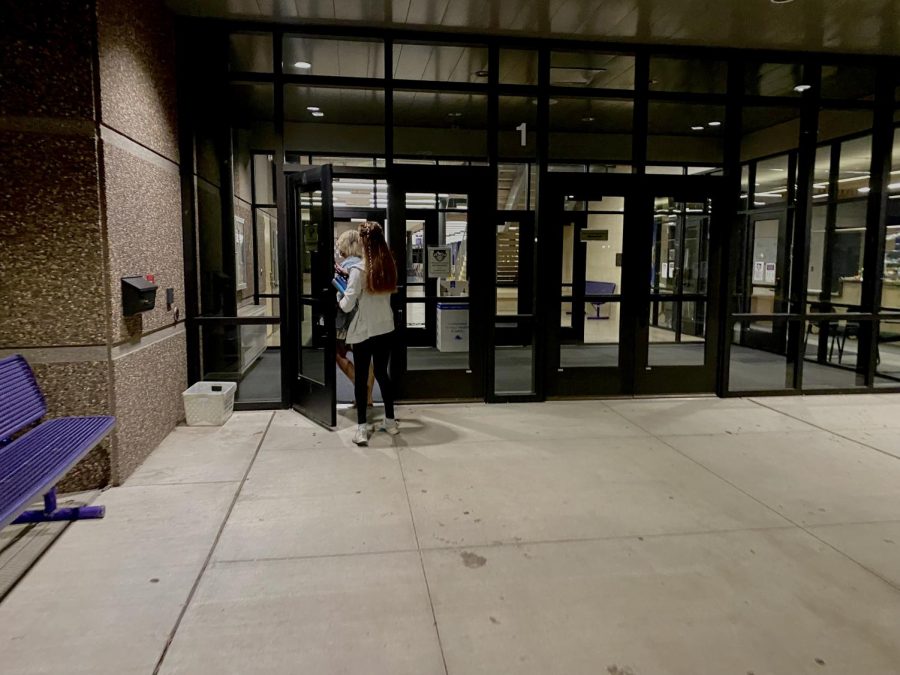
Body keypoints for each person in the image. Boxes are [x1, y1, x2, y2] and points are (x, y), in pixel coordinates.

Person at [338, 221, 399, 446]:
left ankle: (362, 429)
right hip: (386, 328)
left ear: (363, 242)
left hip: (364, 331)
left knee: (361, 379)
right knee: (383, 374)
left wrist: (339, 293)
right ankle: (391, 422)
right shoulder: (389, 267)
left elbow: (346, 305)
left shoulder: (359, 270)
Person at [334, 231, 375, 407]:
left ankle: (362, 391)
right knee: (365, 359)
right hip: (366, 320)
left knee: (338, 354)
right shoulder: (366, 265)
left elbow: (346, 299)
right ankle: (369, 397)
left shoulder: (348, 265)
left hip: (347, 322)